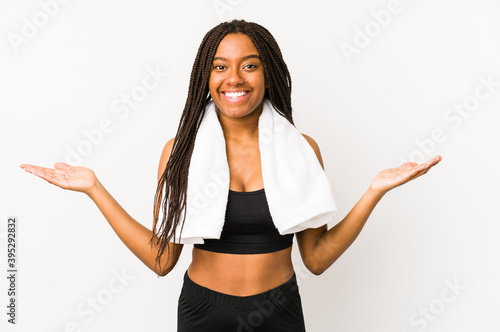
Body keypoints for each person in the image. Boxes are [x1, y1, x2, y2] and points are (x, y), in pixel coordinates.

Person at [20, 19, 442, 331]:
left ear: (268, 73)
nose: (234, 78)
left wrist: (374, 191)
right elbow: (161, 259)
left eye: (249, 65)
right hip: (204, 313)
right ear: (206, 76)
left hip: (280, 311)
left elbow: (315, 258)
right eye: (220, 66)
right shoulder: (179, 152)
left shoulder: (302, 150)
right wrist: (95, 189)